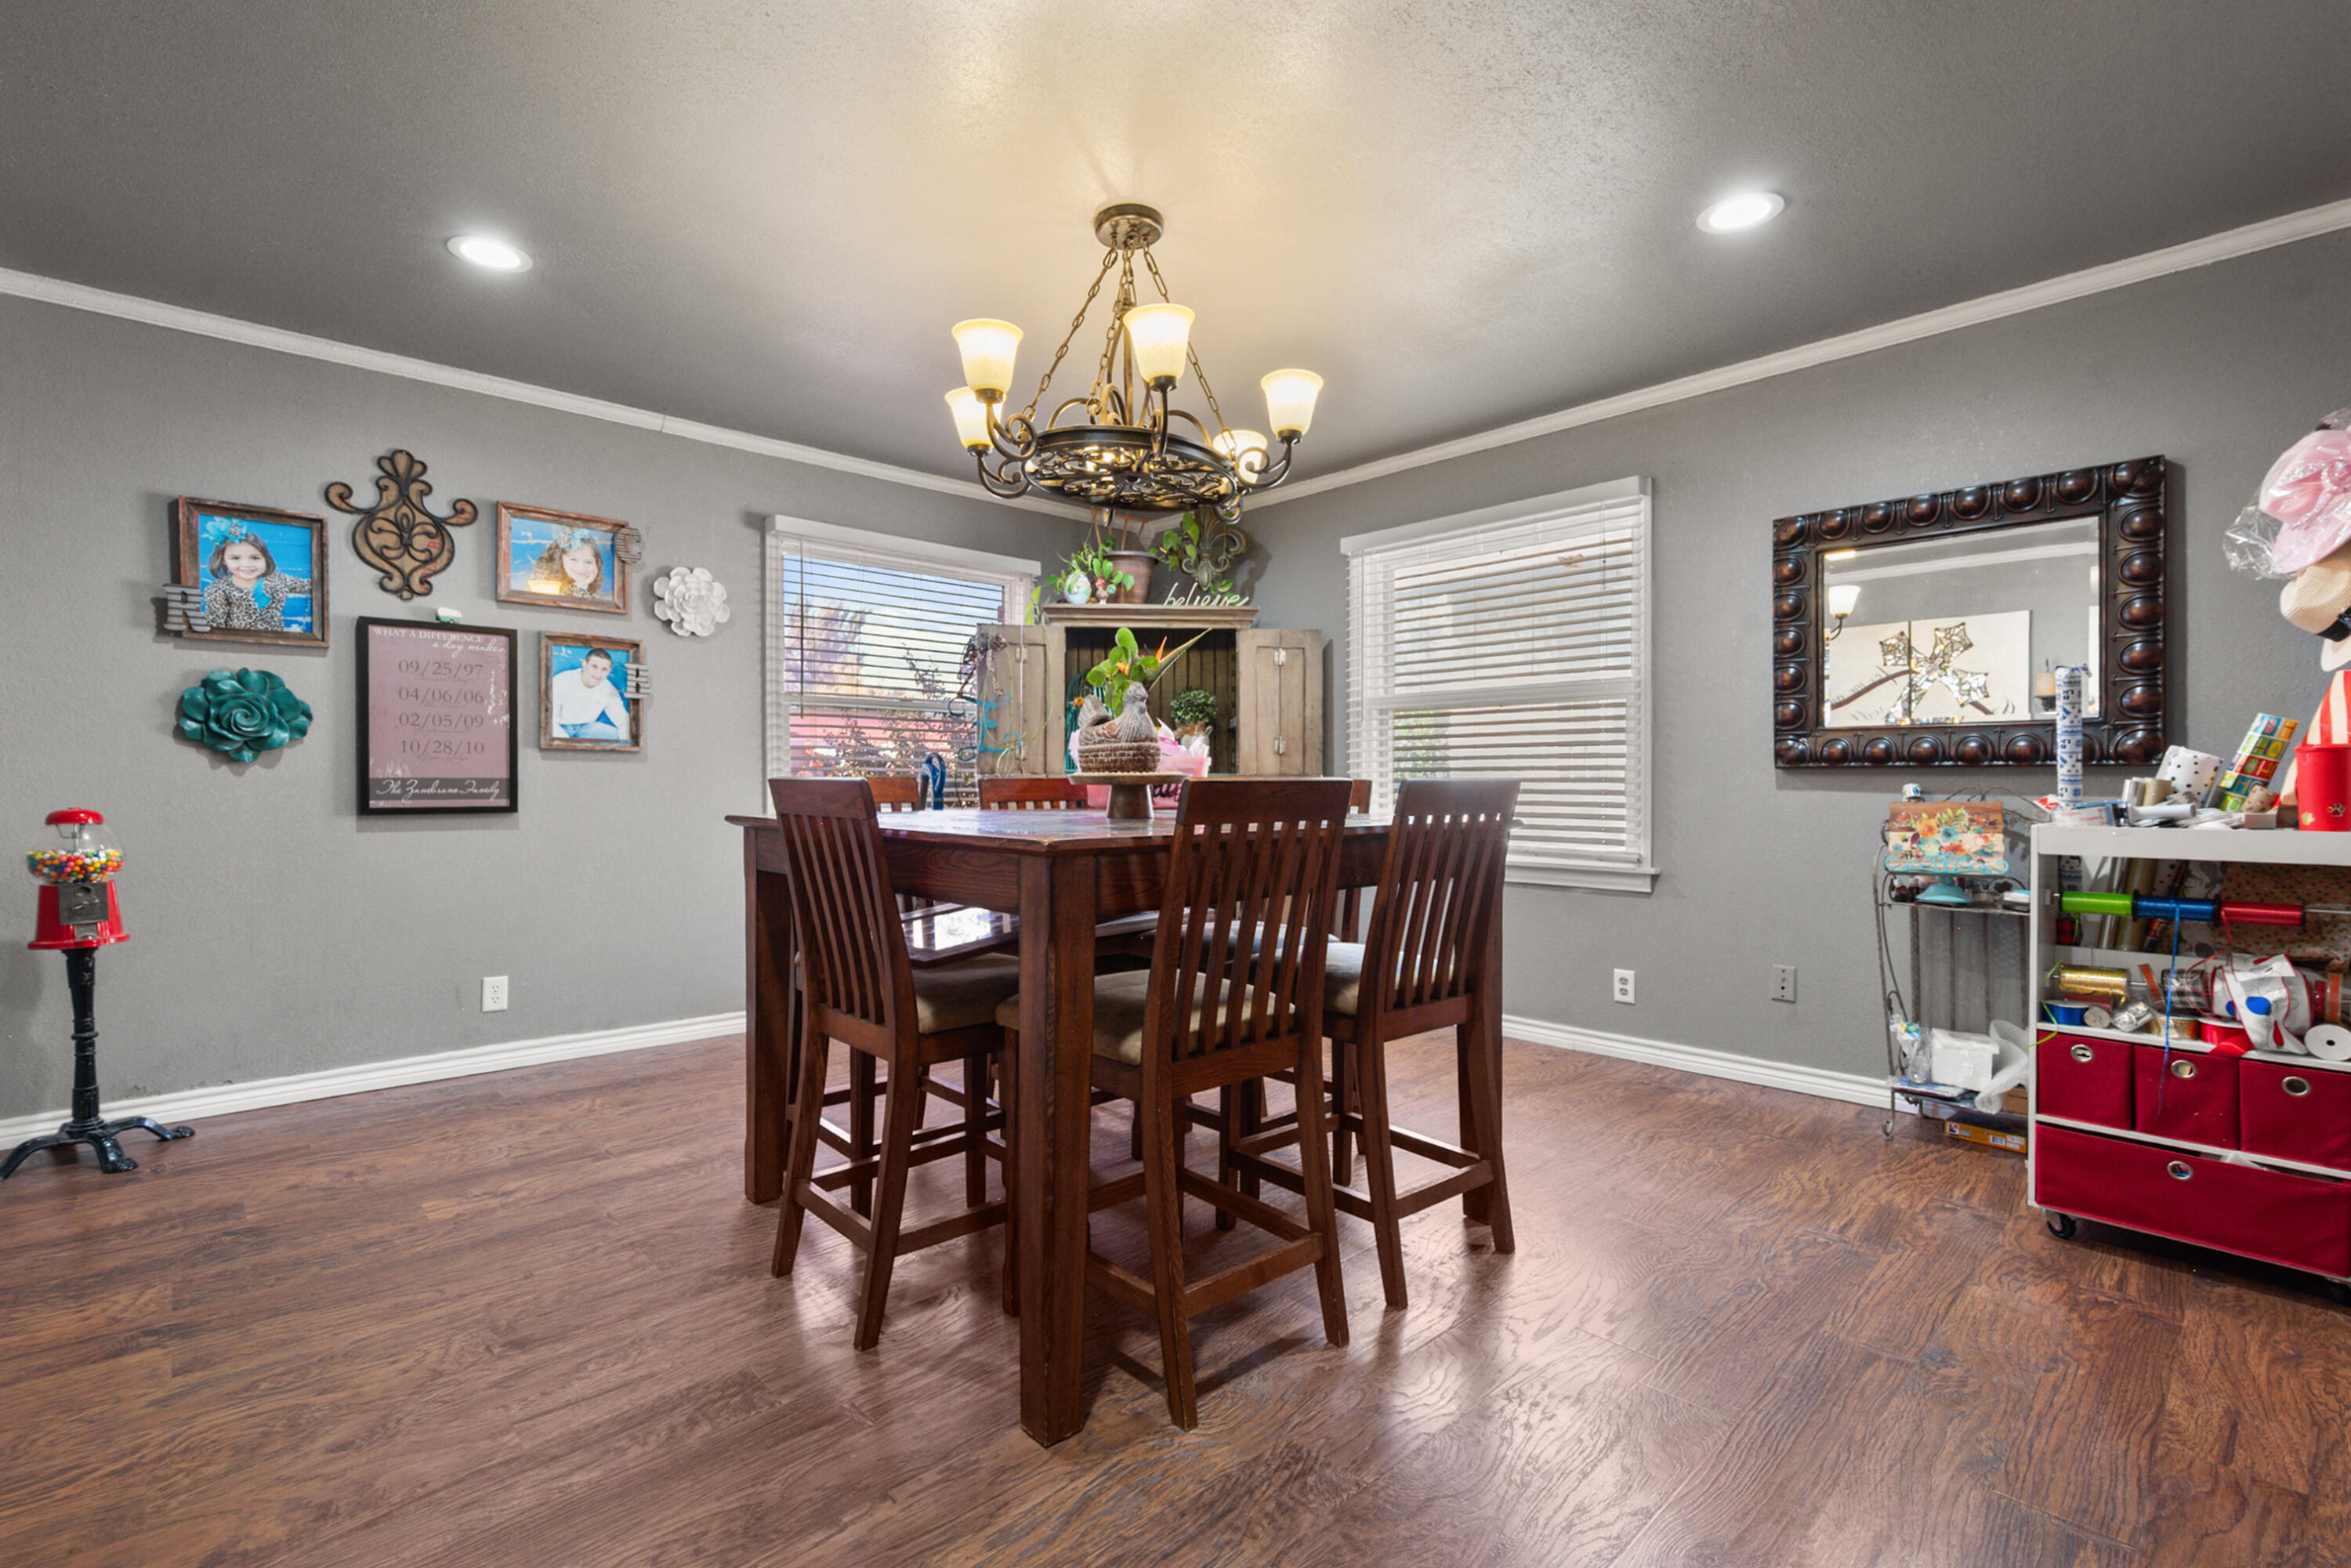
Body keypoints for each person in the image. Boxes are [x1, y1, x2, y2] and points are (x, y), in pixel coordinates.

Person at [202, 523, 312, 632]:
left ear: (265, 559)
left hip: (276, 644)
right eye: (235, 558)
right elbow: (215, 628)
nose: (246, 565)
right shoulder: (216, 591)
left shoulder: (278, 580)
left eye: (255, 558)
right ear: (223, 560)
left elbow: (313, 586)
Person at [548, 648, 630, 742]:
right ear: (585, 664)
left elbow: (623, 721)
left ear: (609, 671)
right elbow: (549, 721)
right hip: (559, 726)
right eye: (594, 666)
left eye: (604, 669)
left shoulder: (608, 689)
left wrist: (627, 744)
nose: (598, 674)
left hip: (587, 727)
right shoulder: (562, 682)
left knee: (616, 735)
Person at [526, 527, 607, 599]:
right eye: (573, 559)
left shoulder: (590, 585)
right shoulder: (544, 581)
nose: (581, 568)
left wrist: (582, 586)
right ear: (560, 558)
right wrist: (580, 587)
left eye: (589, 562)